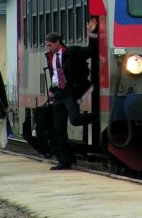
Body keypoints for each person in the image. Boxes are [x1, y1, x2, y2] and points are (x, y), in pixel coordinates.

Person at [45, 17, 99, 170]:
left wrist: (91, 34)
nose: (48, 47)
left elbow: (90, 51)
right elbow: (54, 75)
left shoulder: (72, 52)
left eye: (50, 45)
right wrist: (51, 90)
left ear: (57, 43)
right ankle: (64, 161)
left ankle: (97, 117)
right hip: (58, 94)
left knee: (75, 119)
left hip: (69, 92)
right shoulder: (51, 57)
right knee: (59, 129)